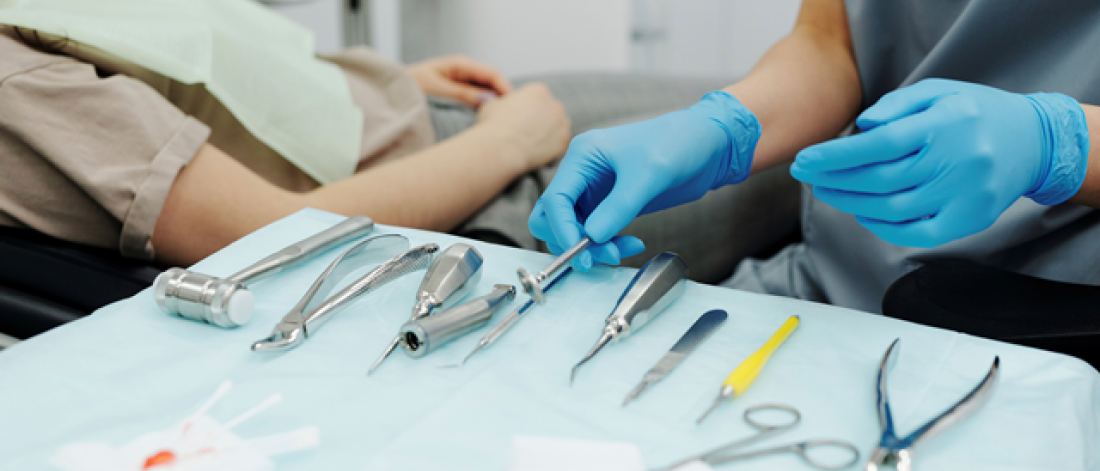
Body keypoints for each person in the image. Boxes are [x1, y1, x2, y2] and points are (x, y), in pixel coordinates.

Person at [529, 0, 1100, 314]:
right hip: (839, 276)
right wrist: (723, 126)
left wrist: (1057, 145)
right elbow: (831, 42)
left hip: (1046, 313)